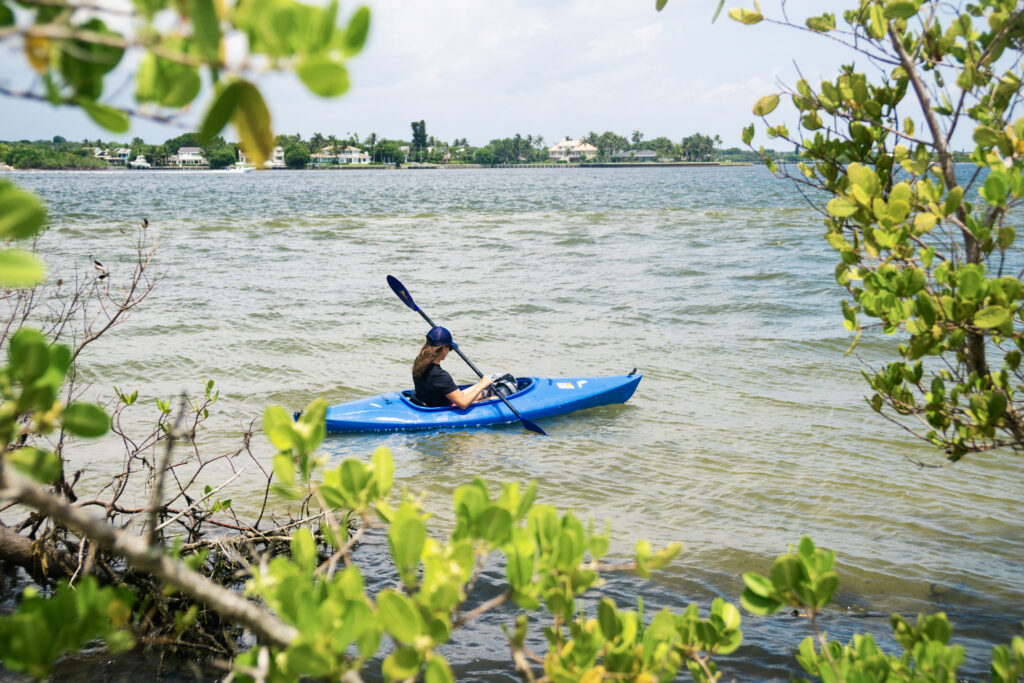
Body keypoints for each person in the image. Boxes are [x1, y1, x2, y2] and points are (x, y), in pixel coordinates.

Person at [412, 326, 493, 408]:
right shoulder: (440, 376)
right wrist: (482, 384)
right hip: (447, 406)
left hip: (430, 400)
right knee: (492, 396)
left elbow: (434, 343)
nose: (449, 351)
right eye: (449, 348)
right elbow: (463, 403)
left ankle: (487, 389)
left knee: (485, 386)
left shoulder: (419, 361)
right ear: (443, 348)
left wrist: (447, 339)